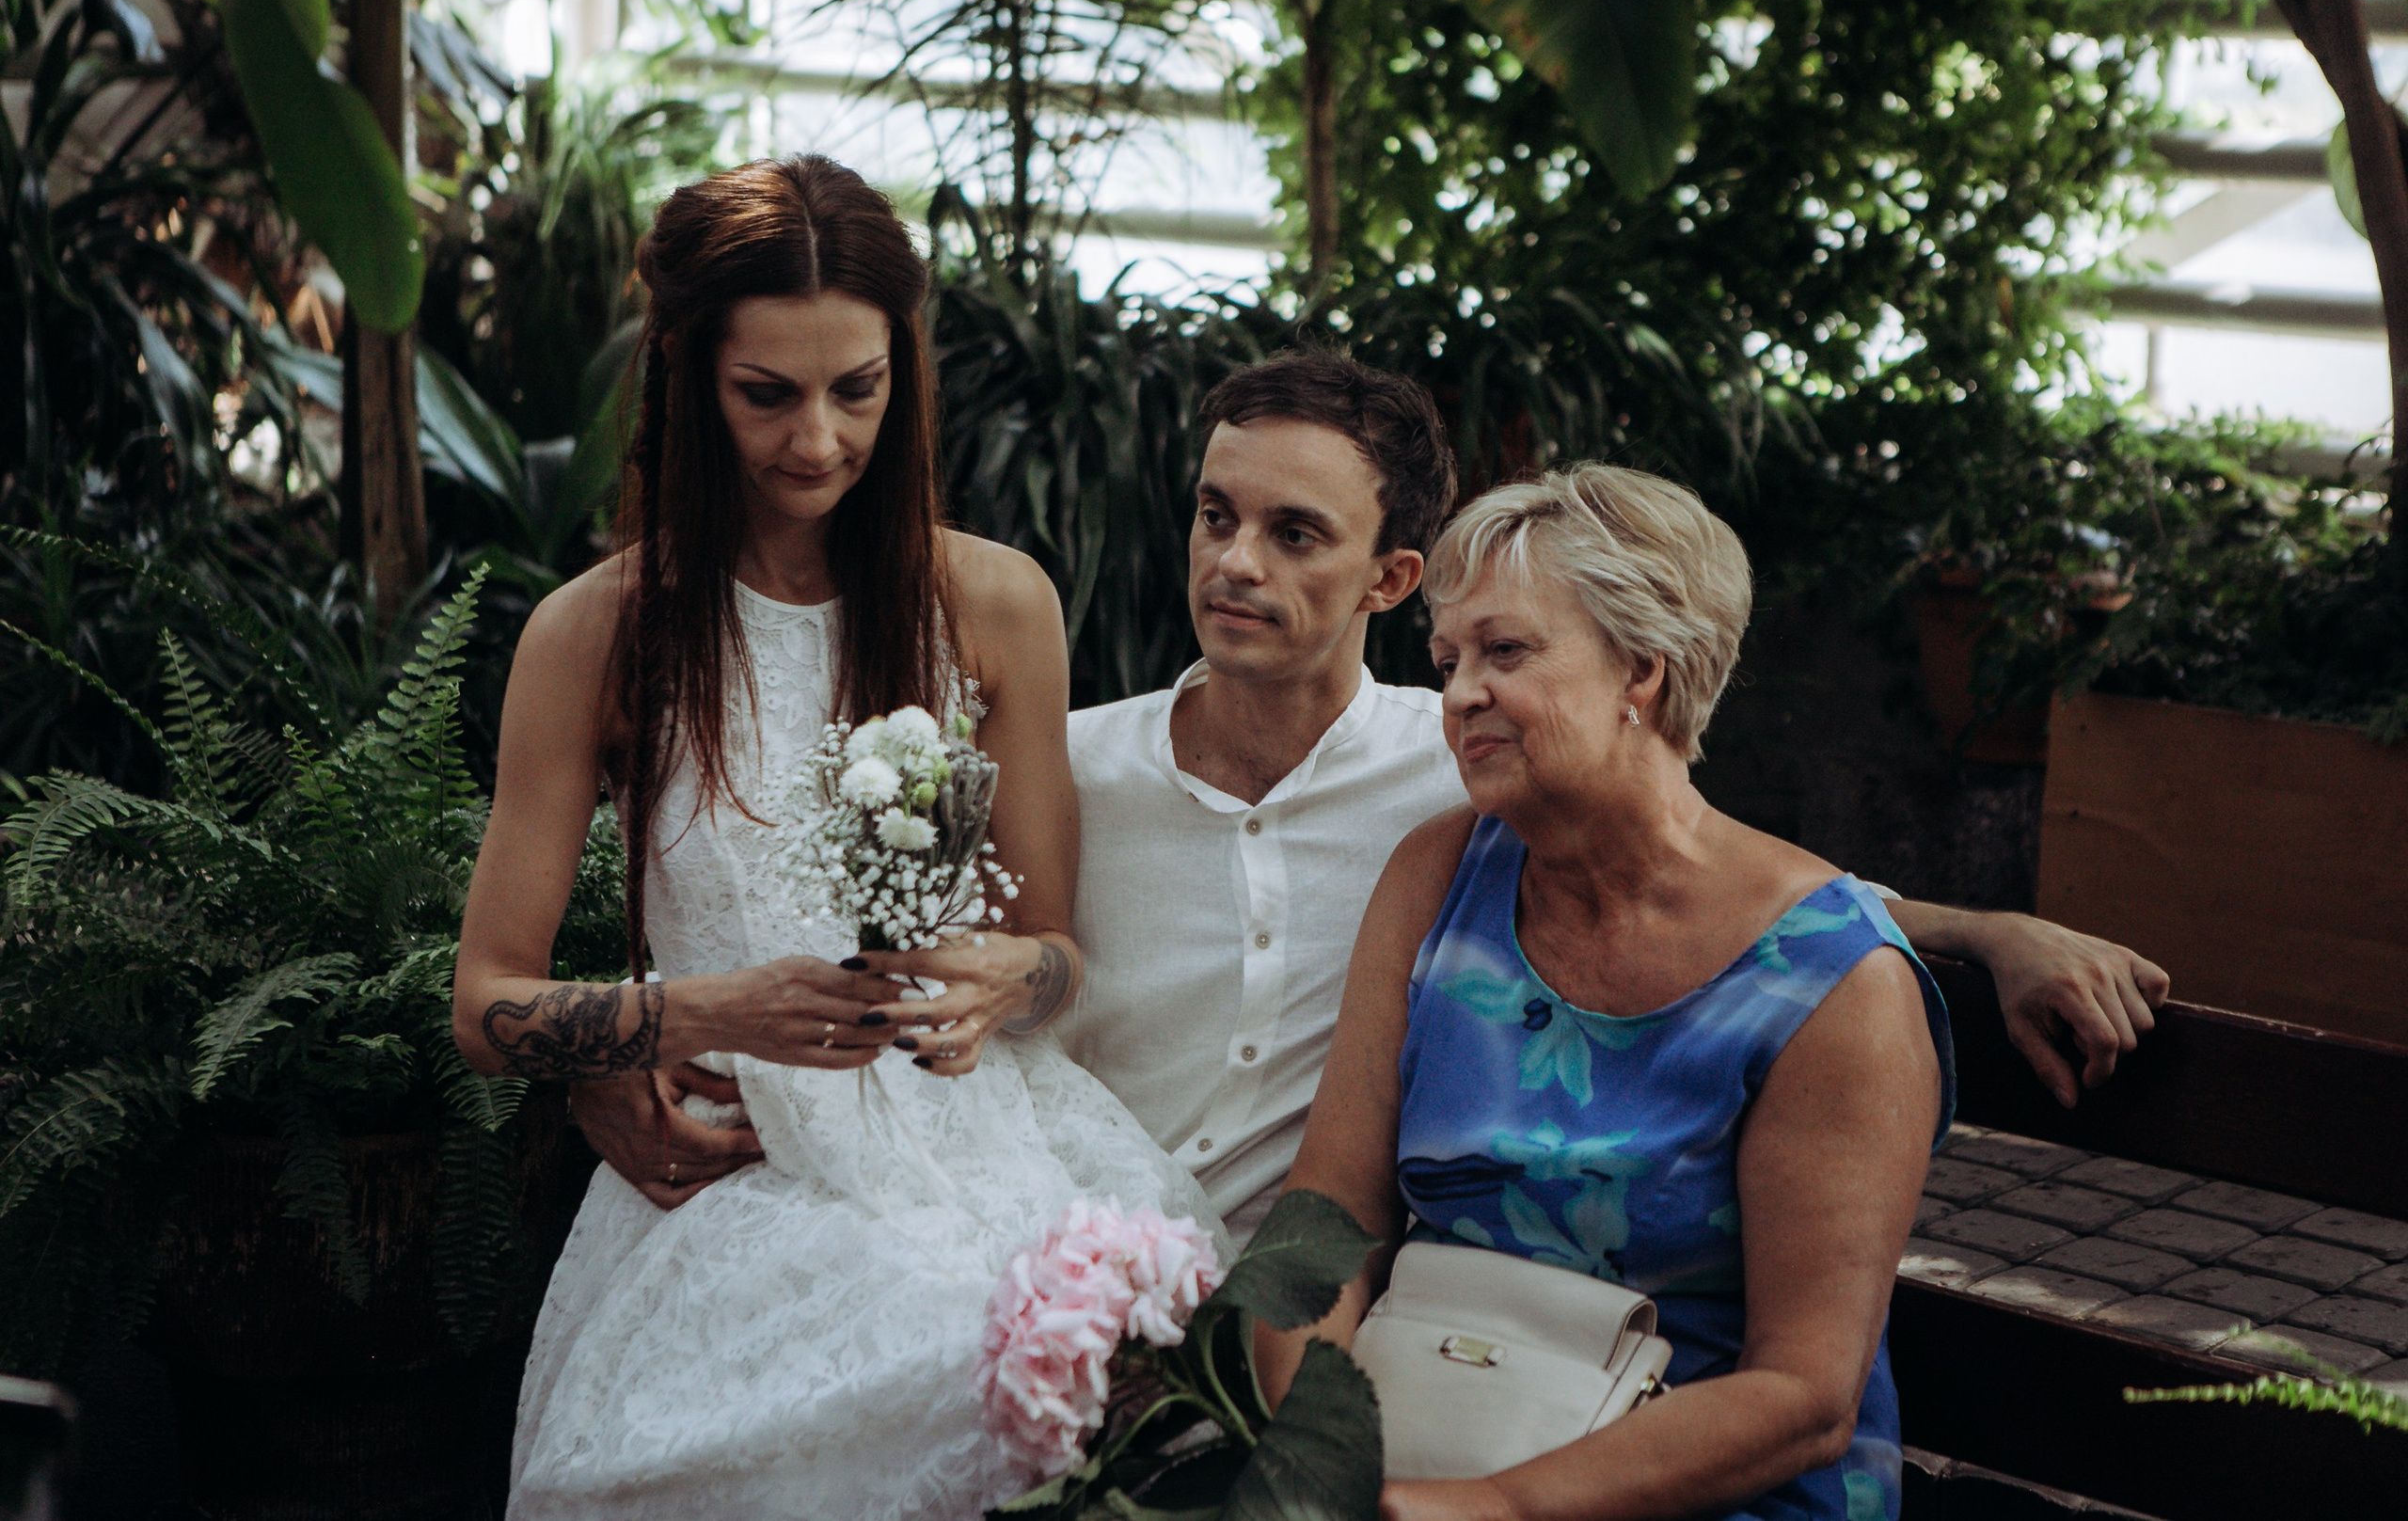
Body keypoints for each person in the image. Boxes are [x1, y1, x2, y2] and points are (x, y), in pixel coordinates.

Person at [574, 352, 2172, 1239]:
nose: (1232, 561)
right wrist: (617, 1061)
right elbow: (835, 932)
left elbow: (1715, 882)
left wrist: (1989, 928)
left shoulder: (1465, 766)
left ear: (1395, 576)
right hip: (1042, 1271)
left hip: (1298, 1314)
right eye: (1215, 516)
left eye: (1291, 533)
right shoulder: (1069, 773)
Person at [449, 155, 1220, 1521]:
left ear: (903, 371)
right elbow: (487, 1003)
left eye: (856, 388)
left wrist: (1006, 976)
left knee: (1082, 1391)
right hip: (738, 1158)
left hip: (977, 1142)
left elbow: (1058, 957)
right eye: (768, 393)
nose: (817, 438)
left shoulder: (994, 600)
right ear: (688, 378)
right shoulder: (596, 633)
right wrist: (691, 1012)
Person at [1259, 463, 1953, 1521]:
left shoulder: (1834, 983)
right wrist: (1318, 1453)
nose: (1457, 694)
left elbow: (1804, 1395)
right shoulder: (1441, 876)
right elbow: (1326, 1220)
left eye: (1505, 651)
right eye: (1449, 660)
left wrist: (1494, 1507)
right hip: (1424, 1450)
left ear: (1642, 668)